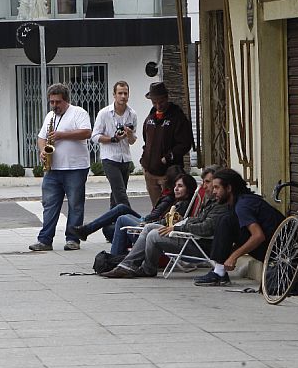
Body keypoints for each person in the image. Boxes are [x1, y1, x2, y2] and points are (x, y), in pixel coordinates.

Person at [193, 168, 284, 286]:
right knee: (226, 220)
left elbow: (258, 236)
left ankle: (219, 272)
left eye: (217, 187)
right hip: (272, 245)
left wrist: (234, 257)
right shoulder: (239, 202)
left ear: (229, 188)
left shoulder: (243, 205)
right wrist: (229, 254)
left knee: (226, 221)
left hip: (278, 251)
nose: (214, 191)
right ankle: (219, 271)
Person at [99, 174, 200, 278]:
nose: (176, 189)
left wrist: (150, 222)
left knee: (122, 218)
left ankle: (116, 261)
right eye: (175, 185)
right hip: (161, 226)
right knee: (122, 215)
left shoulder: (179, 203)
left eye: (180, 186)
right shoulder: (175, 200)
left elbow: (164, 220)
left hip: (172, 233)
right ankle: (122, 264)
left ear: (188, 190)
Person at [29, 83, 91, 251]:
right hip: (53, 169)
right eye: (52, 102)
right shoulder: (50, 116)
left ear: (66, 101)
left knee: (75, 205)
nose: (54, 105)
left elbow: (87, 132)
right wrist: (43, 150)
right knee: (49, 205)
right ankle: (45, 240)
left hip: (75, 168)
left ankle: (73, 239)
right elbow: (41, 137)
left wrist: (61, 135)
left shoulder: (78, 113)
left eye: (58, 102)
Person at [69, 164, 183, 246]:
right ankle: (87, 230)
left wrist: (143, 219)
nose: (161, 180)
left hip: (151, 224)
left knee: (118, 217)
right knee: (115, 219)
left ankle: (87, 230)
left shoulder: (169, 197)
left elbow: (154, 216)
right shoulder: (168, 194)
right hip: (152, 222)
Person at [140, 81, 194, 207]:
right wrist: (144, 159)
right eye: (154, 102)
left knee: (169, 208)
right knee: (156, 209)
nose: (158, 105)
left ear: (167, 98)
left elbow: (185, 144)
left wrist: (168, 157)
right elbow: (146, 139)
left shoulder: (177, 117)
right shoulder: (150, 117)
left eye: (161, 102)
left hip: (168, 174)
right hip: (150, 172)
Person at [91, 80, 137, 210]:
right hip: (110, 158)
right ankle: (131, 216)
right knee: (120, 192)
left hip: (125, 158)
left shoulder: (132, 114)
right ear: (114, 95)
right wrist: (113, 139)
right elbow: (94, 136)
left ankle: (112, 219)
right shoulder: (104, 113)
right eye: (120, 93)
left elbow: (132, 141)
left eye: (125, 93)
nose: (123, 96)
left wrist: (129, 134)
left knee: (116, 194)